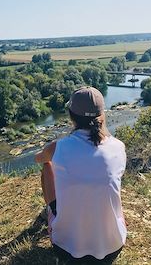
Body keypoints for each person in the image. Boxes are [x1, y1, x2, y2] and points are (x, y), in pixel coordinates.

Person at [35, 86, 127, 264]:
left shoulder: (59, 147)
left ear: (71, 116)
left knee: (47, 164)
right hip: (112, 247)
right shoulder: (118, 147)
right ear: (102, 115)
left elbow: (38, 158)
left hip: (66, 249)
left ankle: (50, 213)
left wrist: (52, 154)